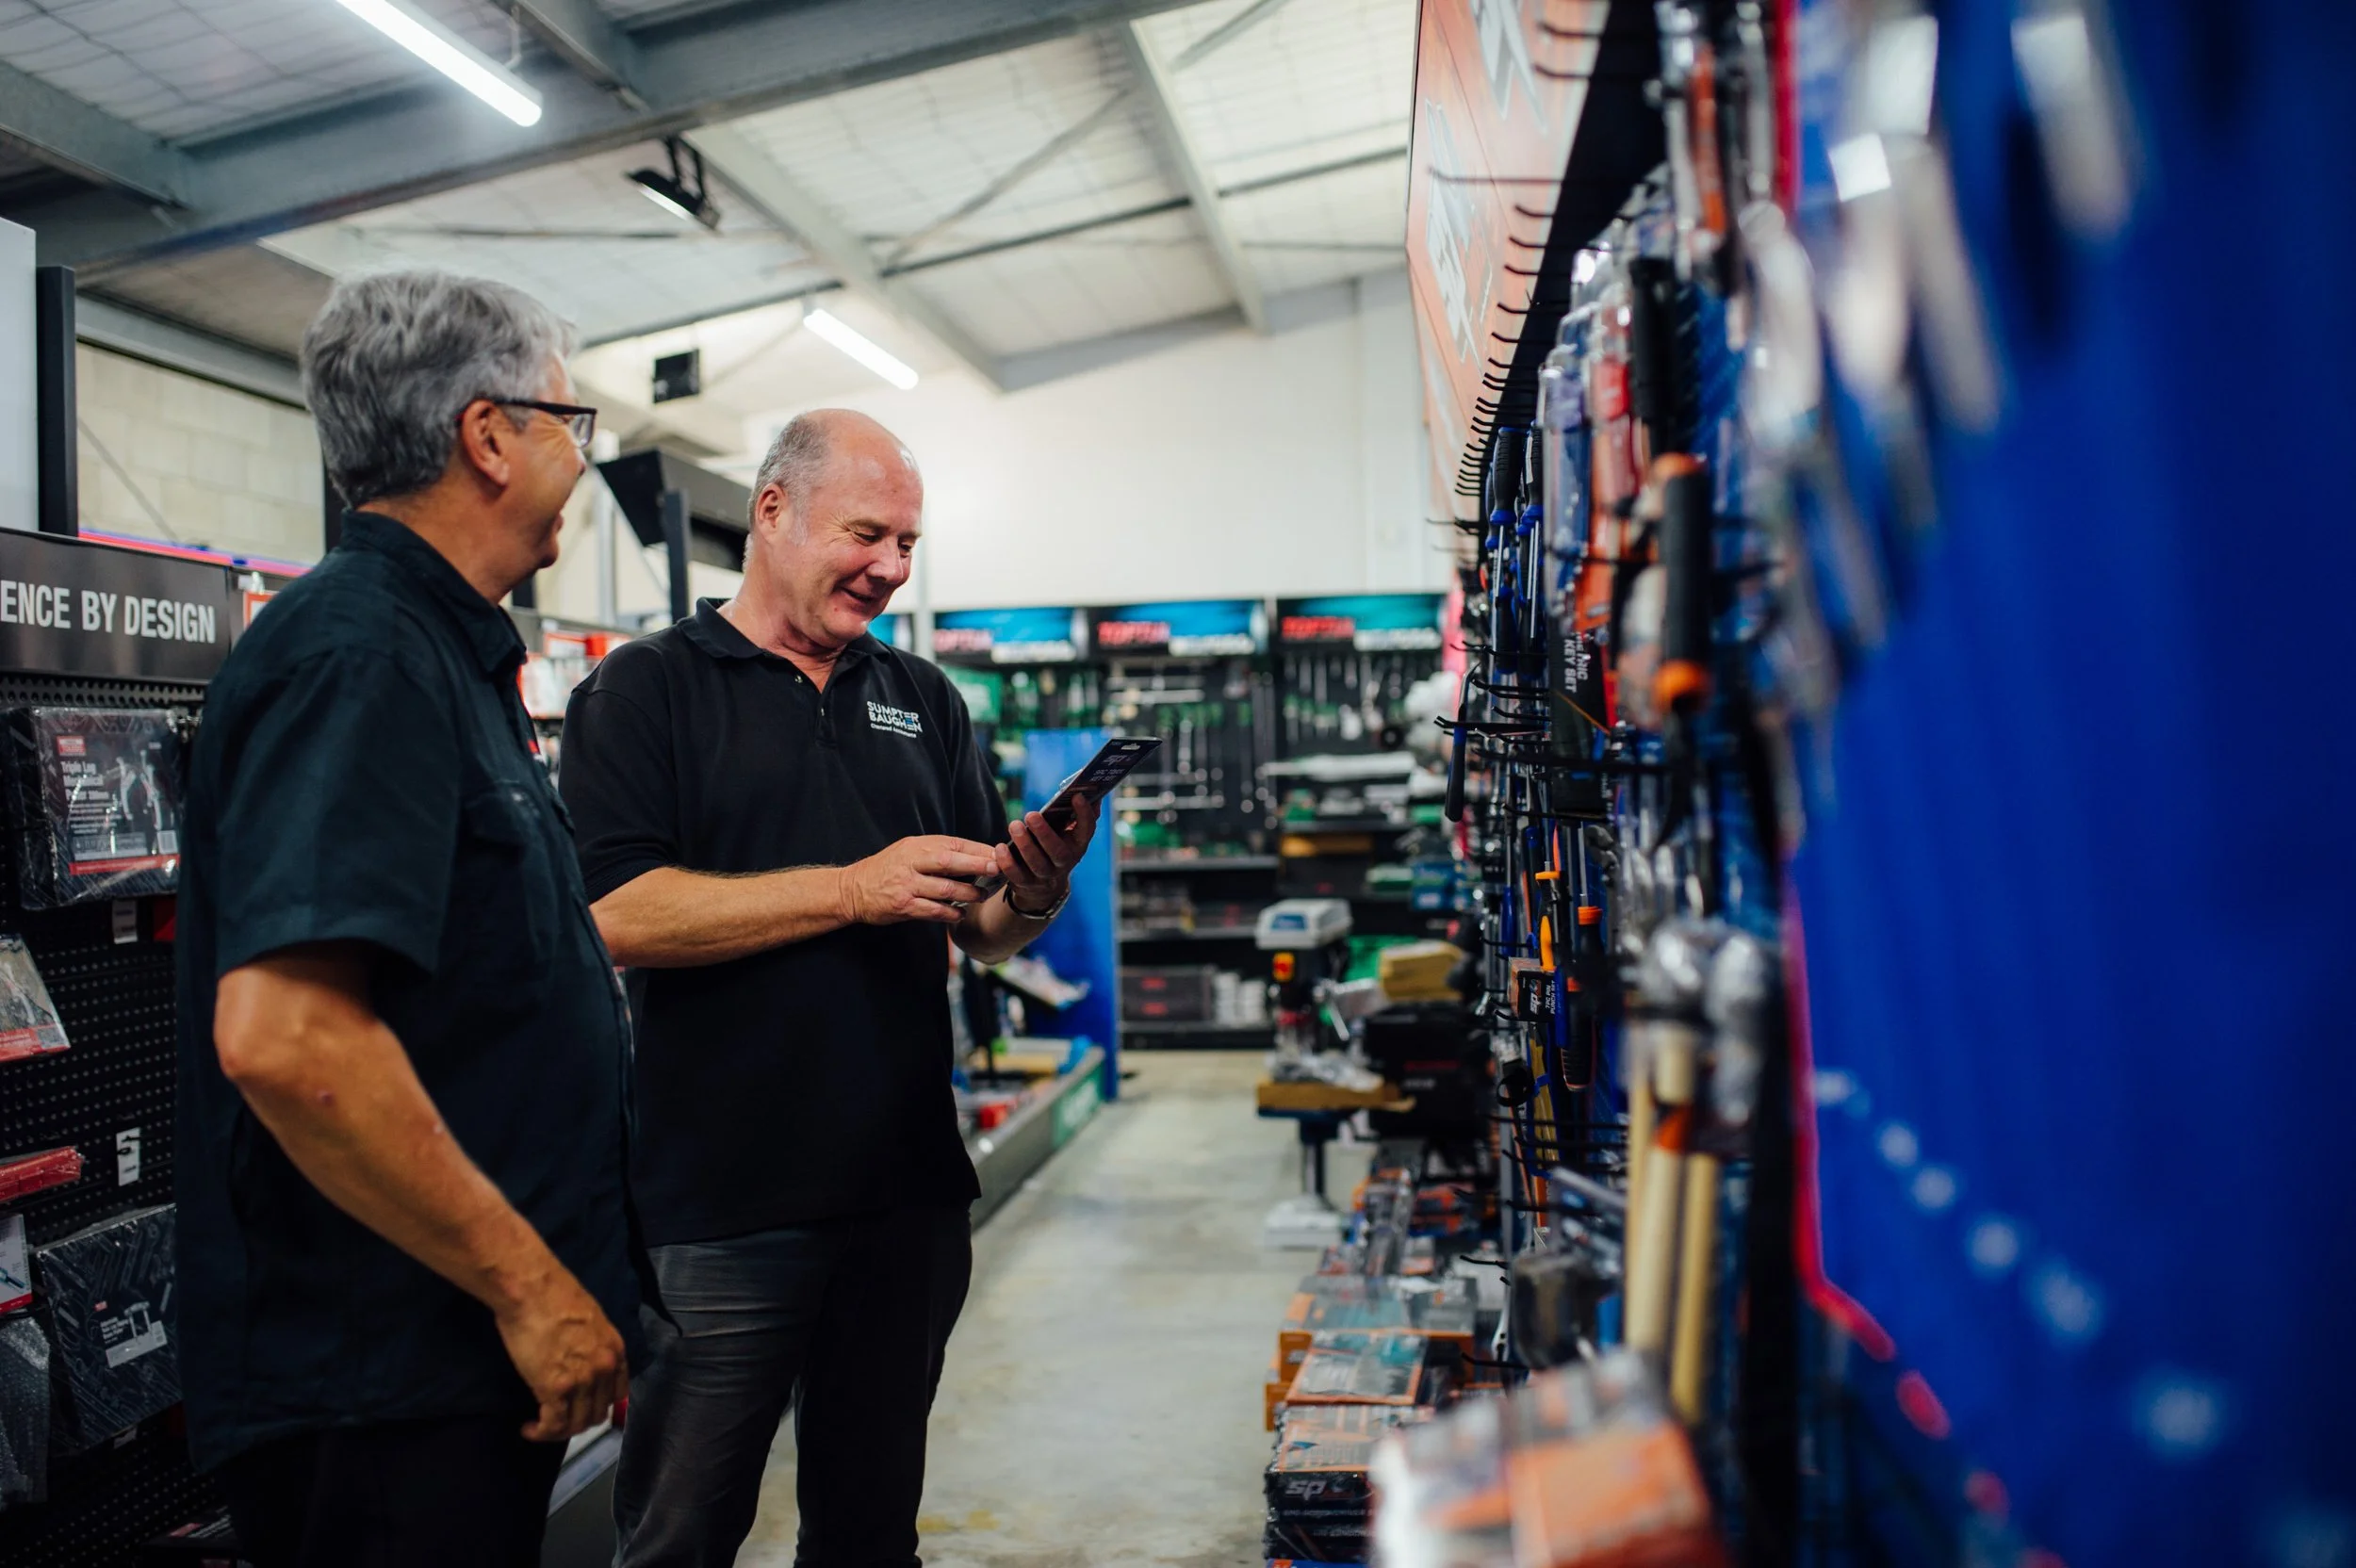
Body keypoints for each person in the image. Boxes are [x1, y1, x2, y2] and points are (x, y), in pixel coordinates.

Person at [559, 409, 1097, 1567]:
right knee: (679, 1536)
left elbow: (981, 926)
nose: (892, 568)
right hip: (718, 1207)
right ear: (771, 511)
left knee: (867, 1534)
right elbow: (612, 916)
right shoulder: (644, 691)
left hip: (902, 1193)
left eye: (909, 542)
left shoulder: (922, 697)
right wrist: (849, 890)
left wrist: (1038, 887)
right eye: (867, 533)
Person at [172, 270, 641, 1568]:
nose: (581, 461)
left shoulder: (446, 652)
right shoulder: (360, 654)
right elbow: (289, 1039)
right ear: (488, 435)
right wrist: (529, 1284)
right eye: (569, 423)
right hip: (380, 1383)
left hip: (446, 1374)